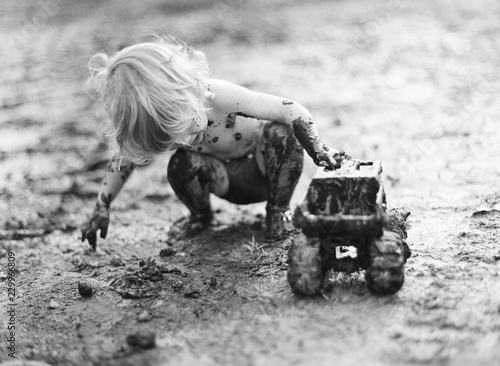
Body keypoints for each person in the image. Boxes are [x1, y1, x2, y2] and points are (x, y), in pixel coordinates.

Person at [81, 35, 343, 250]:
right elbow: (124, 158)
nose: (185, 140)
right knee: (180, 165)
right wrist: (102, 207)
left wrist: (317, 148)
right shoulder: (176, 126)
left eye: (183, 127)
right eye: (173, 141)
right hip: (224, 179)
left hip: (266, 172)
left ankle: (278, 211)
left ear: (189, 90)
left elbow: (290, 109)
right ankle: (201, 217)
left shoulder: (219, 97)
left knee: (281, 134)